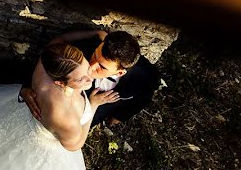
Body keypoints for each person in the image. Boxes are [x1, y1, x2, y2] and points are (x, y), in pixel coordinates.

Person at [19, 29, 160, 127]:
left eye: (102, 67)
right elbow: (49, 59)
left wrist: (120, 117)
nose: (91, 67)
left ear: (120, 73)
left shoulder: (145, 77)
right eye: (95, 55)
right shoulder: (79, 52)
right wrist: (26, 87)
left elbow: (144, 97)